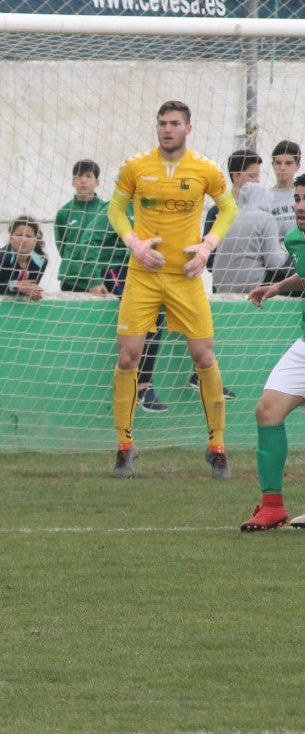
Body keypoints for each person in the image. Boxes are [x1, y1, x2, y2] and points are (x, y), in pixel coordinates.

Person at [107, 99, 237, 479]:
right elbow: (115, 210)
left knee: (204, 357)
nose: (167, 129)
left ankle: (217, 447)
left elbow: (228, 209)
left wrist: (208, 245)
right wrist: (135, 243)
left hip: (188, 276)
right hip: (143, 274)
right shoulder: (135, 166)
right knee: (128, 356)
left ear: (188, 128)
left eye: (175, 123)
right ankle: (124, 446)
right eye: (162, 123)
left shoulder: (206, 169)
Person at [54, 159, 167, 412]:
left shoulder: (155, 208)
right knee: (144, 314)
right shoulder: (114, 209)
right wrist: (94, 279)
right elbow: (83, 244)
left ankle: (196, 376)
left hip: (148, 273)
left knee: (176, 313)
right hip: (116, 272)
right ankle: (141, 384)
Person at [241, 174, 305, 531]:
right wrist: (279, 286)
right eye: (297, 198)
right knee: (268, 409)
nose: (300, 205)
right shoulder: (295, 237)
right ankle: (272, 507)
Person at [210, 149, 287, 295]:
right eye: (252, 176)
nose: (257, 181)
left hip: (222, 284)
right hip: (251, 284)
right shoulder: (217, 212)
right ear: (236, 176)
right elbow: (274, 262)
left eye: (258, 176)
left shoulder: (230, 214)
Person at [0, 215, 47, 299]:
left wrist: (33, 292)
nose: (24, 240)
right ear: (11, 237)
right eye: (19, 235)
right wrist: (16, 286)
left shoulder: (41, 261)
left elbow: (28, 288)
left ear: (35, 240)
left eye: (28, 236)